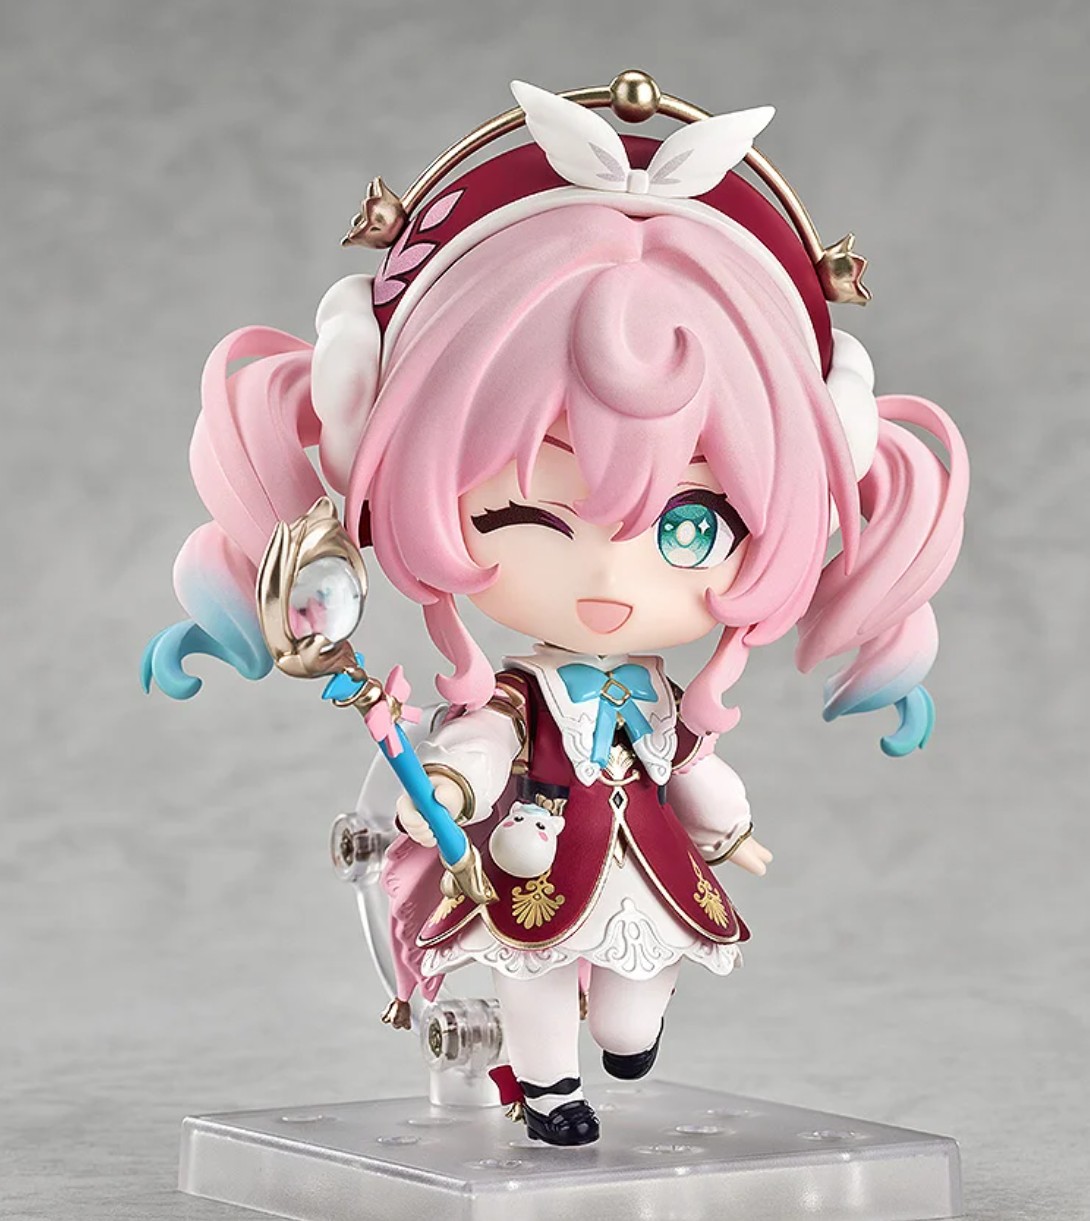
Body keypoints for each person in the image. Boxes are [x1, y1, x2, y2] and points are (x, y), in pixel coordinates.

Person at [144, 78, 968, 1147]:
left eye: (688, 525)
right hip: (534, 859)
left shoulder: (662, 694)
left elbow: (693, 769)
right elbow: (481, 747)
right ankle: (547, 1087)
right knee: (532, 972)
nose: (609, 572)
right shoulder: (517, 693)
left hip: (647, 861)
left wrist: (729, 826)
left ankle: (625, 1038)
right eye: (527, 514)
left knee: (640, 982)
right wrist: (448, 784)